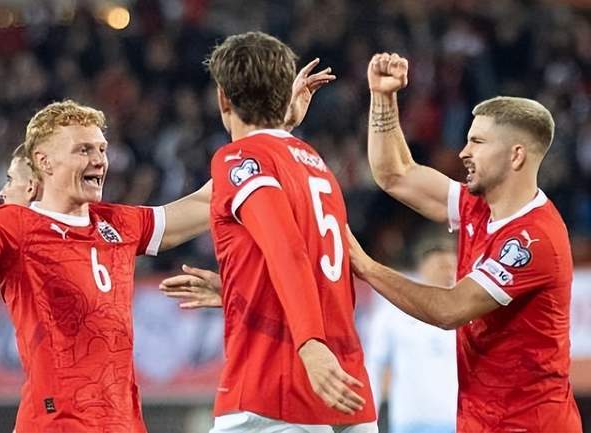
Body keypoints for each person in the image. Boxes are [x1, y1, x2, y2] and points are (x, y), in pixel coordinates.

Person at [0, 59, 331, 433]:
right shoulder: (18, 227)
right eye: (84, 150)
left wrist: (276, 131)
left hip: (124, 423)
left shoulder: (117, 224)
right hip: (55, 424)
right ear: (44, 162)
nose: (100, 160)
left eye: (102, 149)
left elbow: (208, 199)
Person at [347, 52, 582, 432]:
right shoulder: (478, 208)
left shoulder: (534, 238)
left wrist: (367, 267)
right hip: (481, 421)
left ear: (516, 155)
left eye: (478, 142)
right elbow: (395, 174)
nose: (464, 152)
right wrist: (383, 97)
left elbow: (449, 309)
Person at [204, 31, 376, 433]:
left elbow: (286, 250)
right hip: (345, 385)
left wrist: (310, 344)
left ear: (223, 98)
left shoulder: (239, 159)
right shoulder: (314, 162)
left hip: (277, 390)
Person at [364, 235, 457, 433]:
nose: (448, 272)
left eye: (452, 266)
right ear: (423, 268)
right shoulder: (394, 310)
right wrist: (369, 418)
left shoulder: (467, 314)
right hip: (409, 421)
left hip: (456, 420)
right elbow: (375, 363)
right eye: (442, 266)